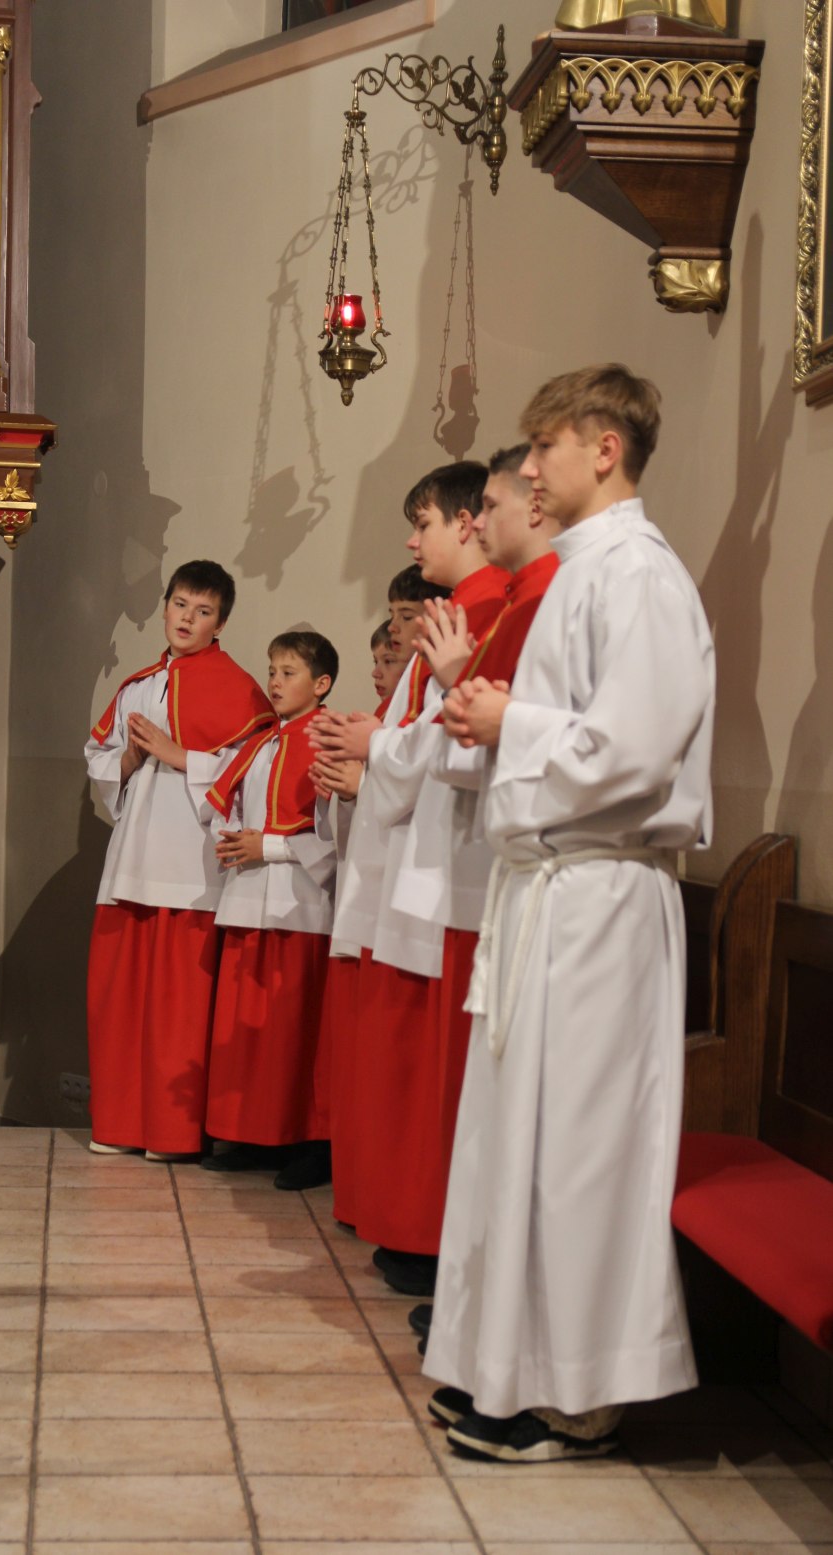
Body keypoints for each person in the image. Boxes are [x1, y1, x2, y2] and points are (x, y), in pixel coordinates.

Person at [424, 364, 714, 1463]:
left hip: (599, 894)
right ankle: (507, 1364)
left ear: (604, 448)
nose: (530, 469)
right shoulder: (584, 569)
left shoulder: (638, 575)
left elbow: (634, 752)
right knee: (521, 1141)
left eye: (544, 446)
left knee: (583, 1150)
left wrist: (513, 722)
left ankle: (581, 1395)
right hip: (550, 891)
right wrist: (500, 718)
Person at [315, 463, 509, 1293]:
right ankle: (408, 1222)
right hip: (419, 862)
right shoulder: (459, 611)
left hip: (454, 869)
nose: (410, 538)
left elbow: (460, 738)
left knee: (436, 1074)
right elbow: (429, 729)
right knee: (409, 1070)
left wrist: (376, 750)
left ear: (467, 521)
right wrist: (377, 741)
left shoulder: (492, 609)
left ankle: (431, 1236)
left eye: (421, 521)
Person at [393, 444, 559, 1345]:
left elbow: (615, 751)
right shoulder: (521, 597)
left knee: (528, 1118)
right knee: (494, 1109)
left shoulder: (562, 591)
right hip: (521, 874)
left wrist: (460, 689)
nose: (479, 521)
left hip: (564, 880)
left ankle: (528, 1335)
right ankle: (483, 1306)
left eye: (488, 505)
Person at [84, 560, 273, 1160]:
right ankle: (118, 1125)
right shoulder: (137, 686)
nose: (188, 619)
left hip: (190, 865)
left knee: (178, 1008)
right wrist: (131, 761)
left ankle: (171, 1134)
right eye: (181, 605)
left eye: (204, 611)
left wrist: (179, 755)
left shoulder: (239, 688)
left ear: (221, 624)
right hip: (130, 858)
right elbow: (99, 755)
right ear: (165, 606)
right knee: (119, 1000)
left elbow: (255, 772)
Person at [200, 630, 339, 1190]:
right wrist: (234, 834)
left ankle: (304, 1143)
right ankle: (251, 1136)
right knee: (247, 1032)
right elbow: (227, 803)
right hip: (247, 901)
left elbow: (336, 837)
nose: (275, 683)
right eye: (272, 671)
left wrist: (271, 846)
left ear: (321, 684)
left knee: (291, 1030)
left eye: (289, 673)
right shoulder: (261, 744)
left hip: (298, 906)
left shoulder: (328, 741)